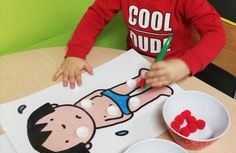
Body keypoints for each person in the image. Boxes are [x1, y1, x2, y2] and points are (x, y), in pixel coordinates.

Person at [52, 0, 225, 89]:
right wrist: (76, 53)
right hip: (134, 65)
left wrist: (186, 65)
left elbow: (216, 33)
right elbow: (97, 15)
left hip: (176, 73)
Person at [29, 69, 173, 153]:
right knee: (136, 101)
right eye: (68, 141)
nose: (64, 125)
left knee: (126, 86)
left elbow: (92, 95)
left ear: (54, 107)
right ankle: (157, 91)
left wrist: (98, 93)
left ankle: (139, 79)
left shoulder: (81, 104)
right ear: (86, 145)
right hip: (120, 110)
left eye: (53, 119)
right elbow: (109, 122)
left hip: (107, 95)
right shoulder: (94, 121)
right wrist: (124, 116)